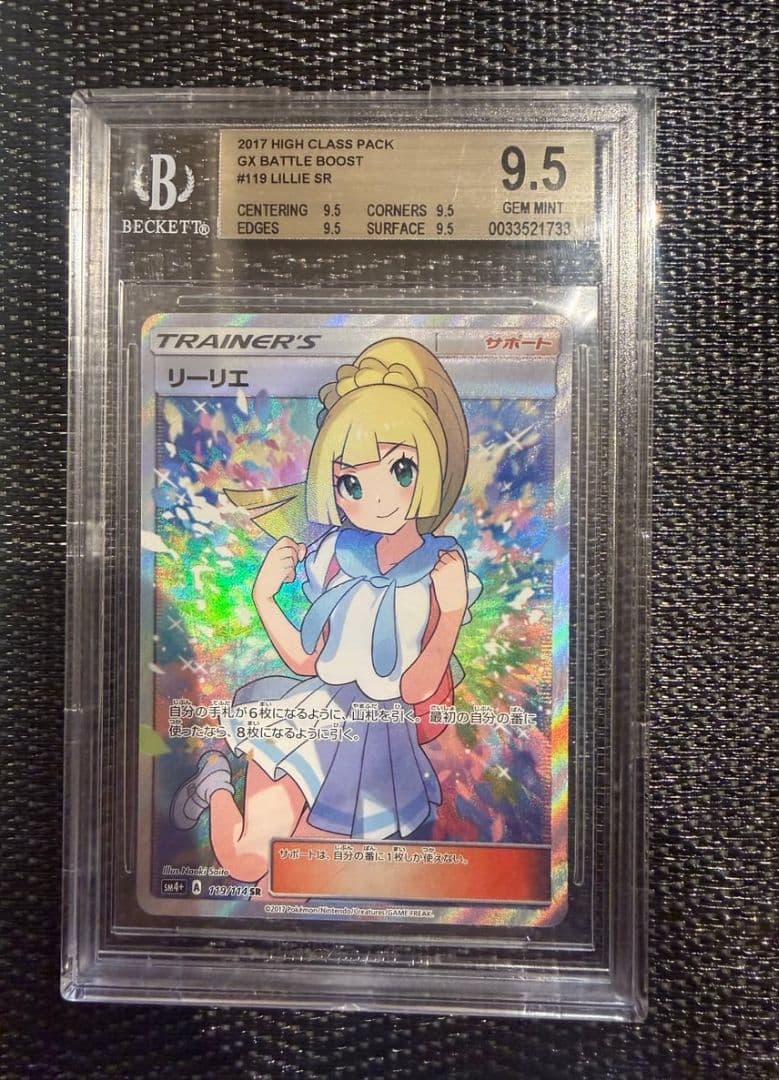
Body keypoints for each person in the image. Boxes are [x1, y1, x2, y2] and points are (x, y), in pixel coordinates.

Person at [170, 337, 480, 883]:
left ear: (429, 465)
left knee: (296, 883)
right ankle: (214, 776)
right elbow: (307, 660)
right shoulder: (335, 553)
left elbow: (416, 689)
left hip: (378, 739)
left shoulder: (442, 568)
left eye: (400, 470)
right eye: (351, 482)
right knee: (246, 863)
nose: (376, 498)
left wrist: (451, 612)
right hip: (313, 716)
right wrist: (264, 596)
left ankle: (217, 779)